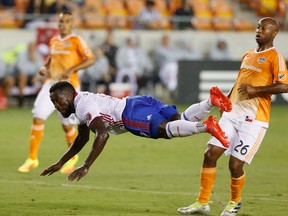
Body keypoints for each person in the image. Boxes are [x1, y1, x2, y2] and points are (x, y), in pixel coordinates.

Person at [177, 17, 288, 216]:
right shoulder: (248, 55)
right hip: (231, 114)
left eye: (264, 28)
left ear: (274, 33)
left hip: (254, 120)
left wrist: (256, 90)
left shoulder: (275, 57)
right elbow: (240, 82)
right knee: (210, 154)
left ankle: (234, 203)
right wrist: (227, 100)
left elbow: (285, 85)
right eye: (258, 27)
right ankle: (202, 203)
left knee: (235, 165)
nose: (259, 30)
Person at [40, 81, 232, 181]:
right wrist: (60, 162)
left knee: (164, 131)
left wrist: (87, 165)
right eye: (53, 102)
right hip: (137, 101)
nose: (56, 105)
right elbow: (81, 140)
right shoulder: (81, 103)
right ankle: (210, 102)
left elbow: (102, 134)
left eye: (58, 100)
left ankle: (206, 126)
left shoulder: (83, 106)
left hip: (129, 114)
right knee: (179, 119)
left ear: (68, 94)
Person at [18, 10, 95, 174]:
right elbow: (51, 60)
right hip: (50, 85)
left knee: (67, 126)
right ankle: (32, 159)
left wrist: (72, 69)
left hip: (68, 88)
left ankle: (72, 157)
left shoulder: (77, 40)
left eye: (67, 21)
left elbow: (90, 59)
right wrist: (44, 68)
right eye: (61, 21)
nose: (63, 24)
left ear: (72, 24)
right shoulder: (53, 40)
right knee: (38, 116)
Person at [15, 42, 43, 107]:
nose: (32, 49)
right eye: (30, 47)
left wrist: (37, 77)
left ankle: (41, 101)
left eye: (33, 47)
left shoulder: (38, 56)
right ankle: (21, 99)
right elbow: (20, 68)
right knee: (23, 77)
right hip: (22, 75)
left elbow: (41, 69)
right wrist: (30, 60)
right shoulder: (21, 55)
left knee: (44, 79)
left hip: (33, 76)